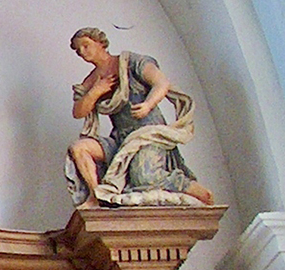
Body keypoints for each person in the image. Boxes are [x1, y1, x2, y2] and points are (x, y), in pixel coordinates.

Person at [66, 27, 215, 208]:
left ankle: (196, 191)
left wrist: (148, 105)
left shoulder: (130, 62)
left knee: (144, 176)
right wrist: (96, 91)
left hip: (148, 133)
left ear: (100, 43)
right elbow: (79, 112)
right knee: (79, 148)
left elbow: (161, 83)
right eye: (78, 50)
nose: (82, 52)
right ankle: (97, 197)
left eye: (85, 45)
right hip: (121, 139)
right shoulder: (91, 81)